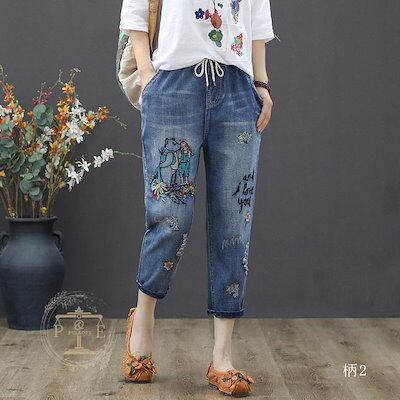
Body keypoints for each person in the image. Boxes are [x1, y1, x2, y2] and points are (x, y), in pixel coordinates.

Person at [119, 0, 276, 396]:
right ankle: (142, 324)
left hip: (237, 90)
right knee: (169, 217)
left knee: (234, 223)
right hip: (173, 85)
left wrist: (262, 85)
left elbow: (258, 19)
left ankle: (222, 358)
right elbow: (135, 11)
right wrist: (147, 74)